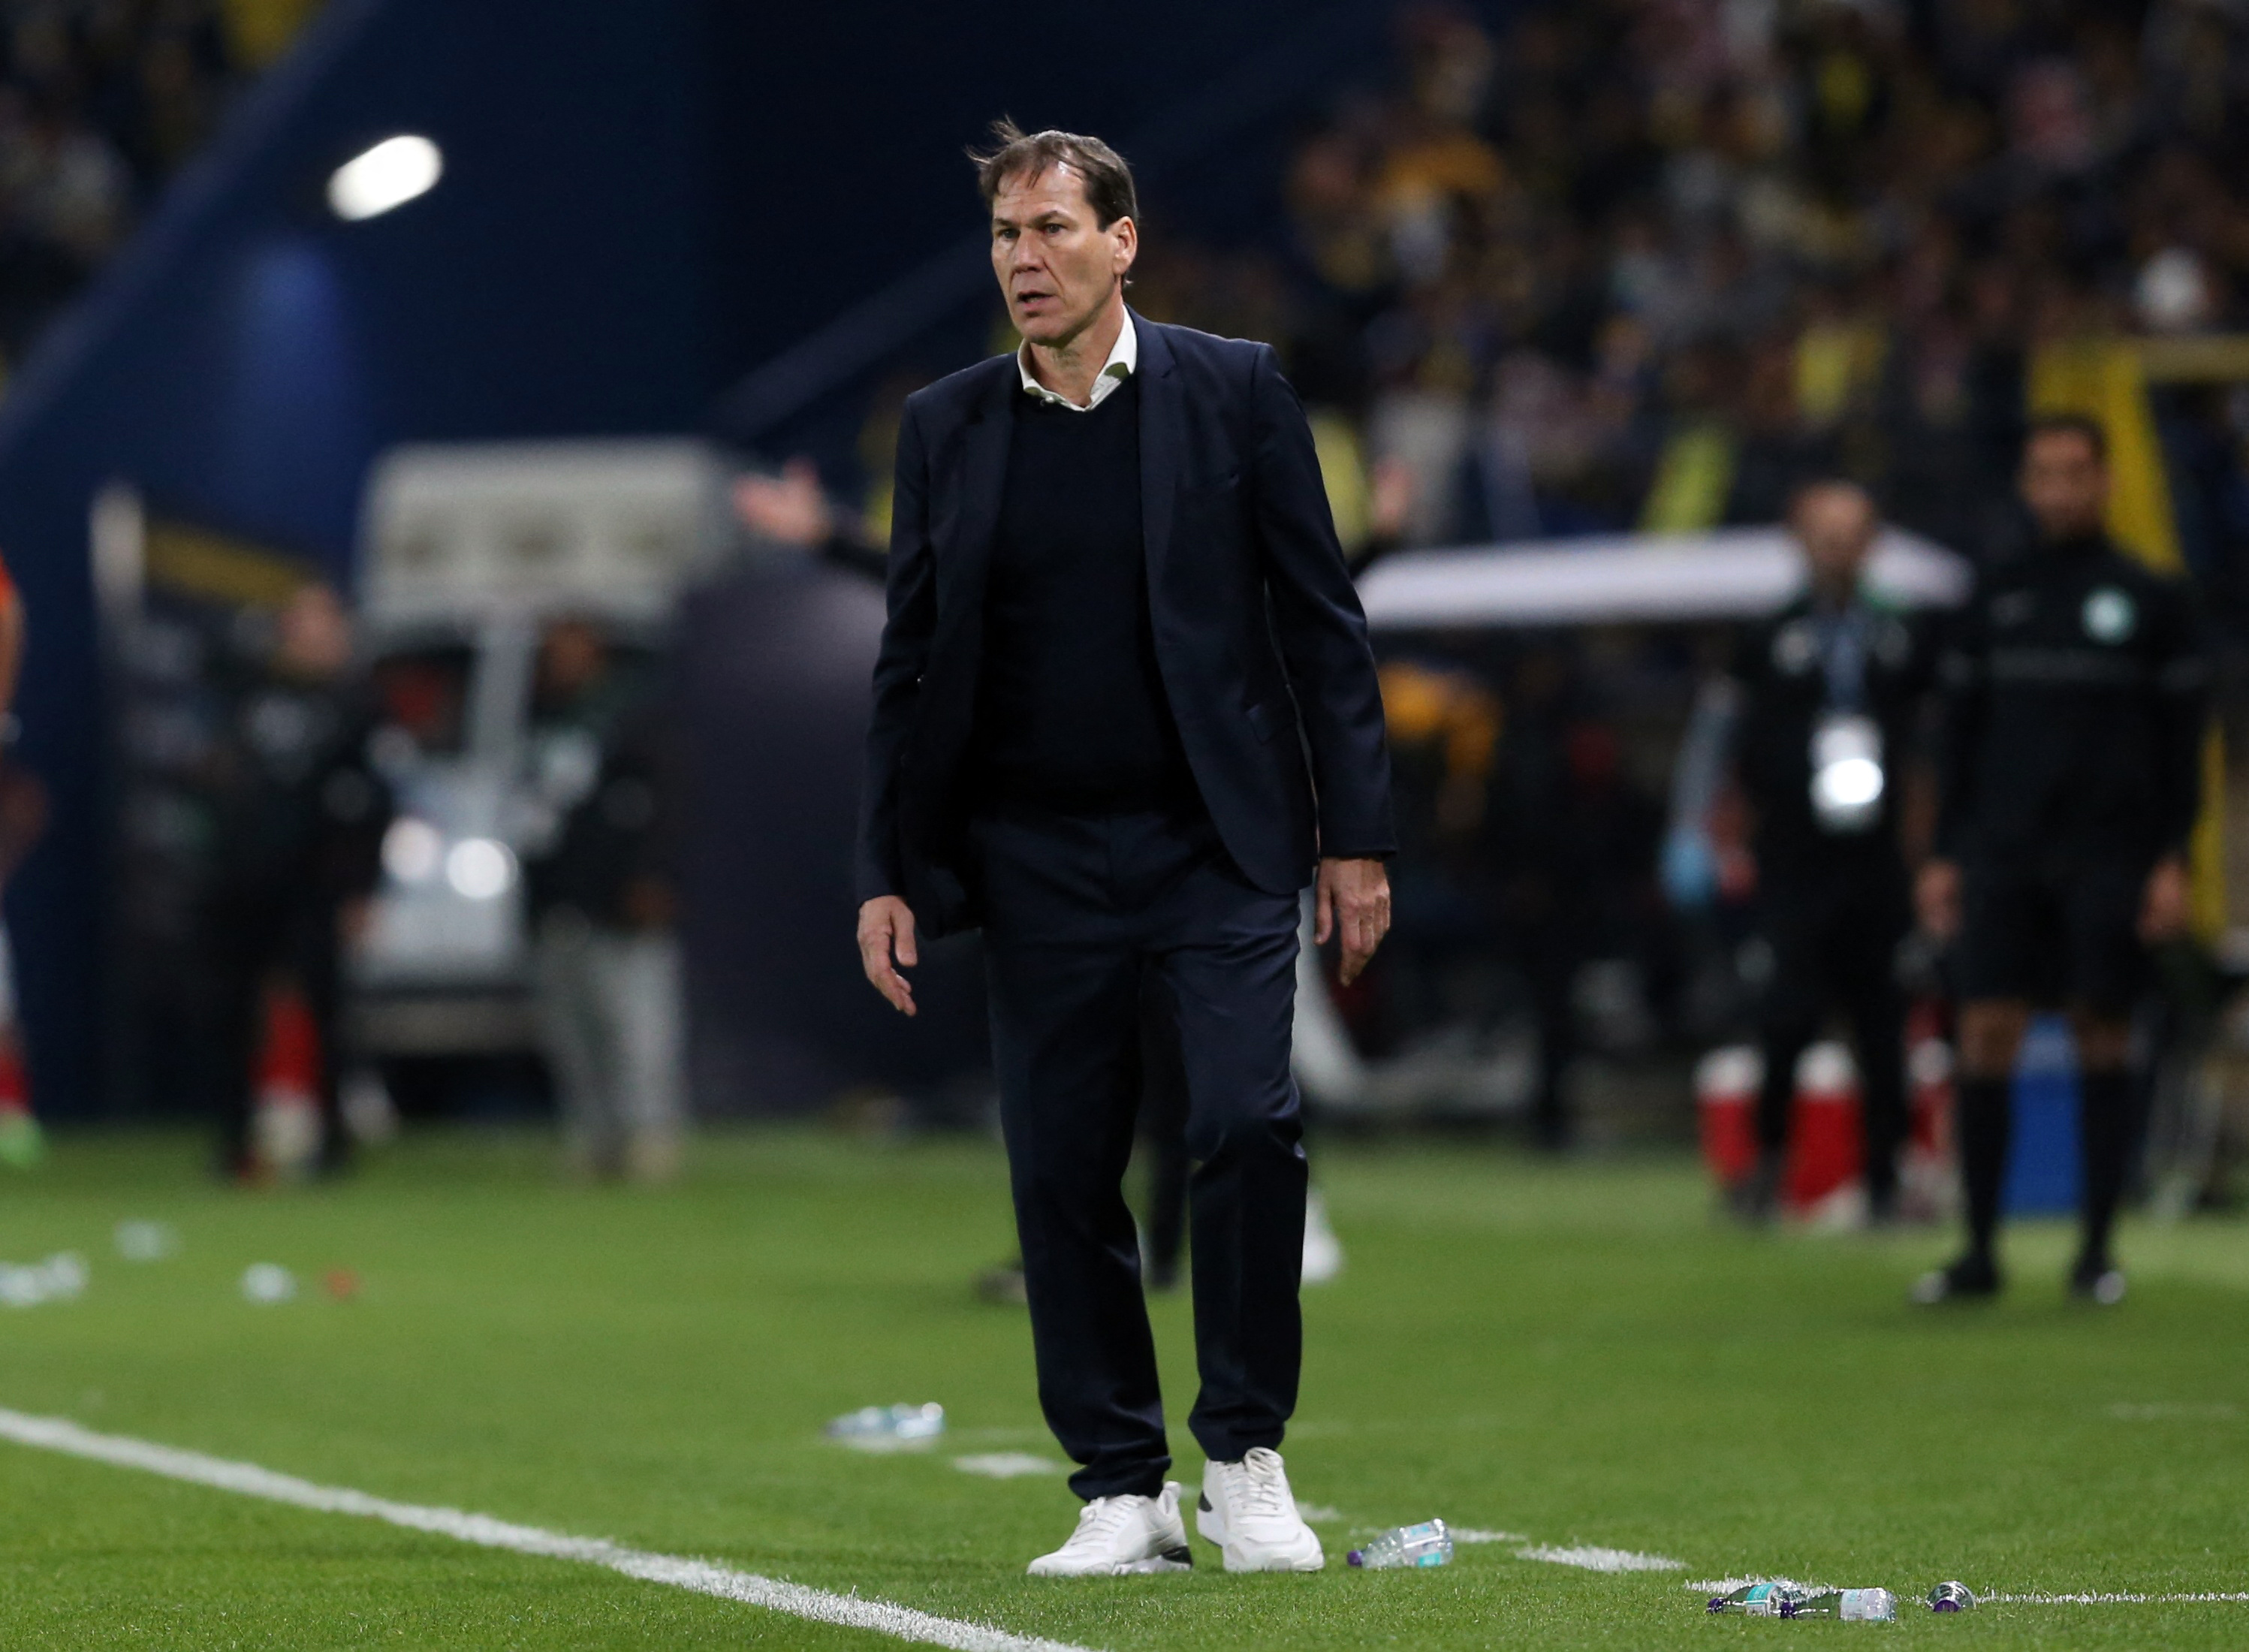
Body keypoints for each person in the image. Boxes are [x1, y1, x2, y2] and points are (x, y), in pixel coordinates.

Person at [855, 123, 1393, 1577]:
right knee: (1062, 1170)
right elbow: (906, 667)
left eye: (1049, 229)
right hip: (1033, 858)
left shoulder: (1237, 391)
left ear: (1122, 241)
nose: (1023, 259)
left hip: (1216, 842)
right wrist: (887, 867)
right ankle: (1119, 1484)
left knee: (1241, 1121)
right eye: (1004, 237)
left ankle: (1245, 1455)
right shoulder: (948, 425)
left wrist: (1356, 841)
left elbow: (1320, 629)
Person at [1914, 415, 2208, 1305]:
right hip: (2002, 850)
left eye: (2076, 473)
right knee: (1986, 1031)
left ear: (2104, 480)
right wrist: (1940, 855)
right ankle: (1979, 1250)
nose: (2060, 490)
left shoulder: (2149, 600)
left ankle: (2095, 1251)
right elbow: (1953, 740)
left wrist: (2170, 859)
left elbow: (2180, 745)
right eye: (2044, 473)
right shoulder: (1991, 597)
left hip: (2107, 853)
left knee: (2099, 1029)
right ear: (2024, 482)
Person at [1726, 481, 1932, 1222]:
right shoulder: (1767, 636)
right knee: (1784, 1016)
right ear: (1797, 537)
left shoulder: (1902, 632)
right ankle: (1766, 1168)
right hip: (1794, 853)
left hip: (1876, 856)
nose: (1836, 546)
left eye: (1850, 531)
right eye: (1823, 531)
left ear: (1872, 541)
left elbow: (1929, 742)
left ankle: (1884, 1179)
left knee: (1882, 1024)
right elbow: (1736, 746)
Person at [204, 582, 390, 1180]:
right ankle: (236, 1142)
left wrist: (364, 888)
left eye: (322, 623)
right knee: (233, 1013)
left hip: (317, 882)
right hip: (244, 880)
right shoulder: (250, 689)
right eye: (300, 623)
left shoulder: (355, 705)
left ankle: (331, 1143)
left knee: (325, 1014)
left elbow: (376, 804)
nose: (311, 635)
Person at [523, 618, 684, 1183]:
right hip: (558, 896)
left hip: (620, 900)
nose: (559, 658)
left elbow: (665, 800)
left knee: (635, 1031)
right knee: (573, 1034)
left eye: (571, 647)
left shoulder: (631, 713)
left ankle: (649, 1140)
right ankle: (593, 1140)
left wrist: (653, 876)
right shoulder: (541, 715)